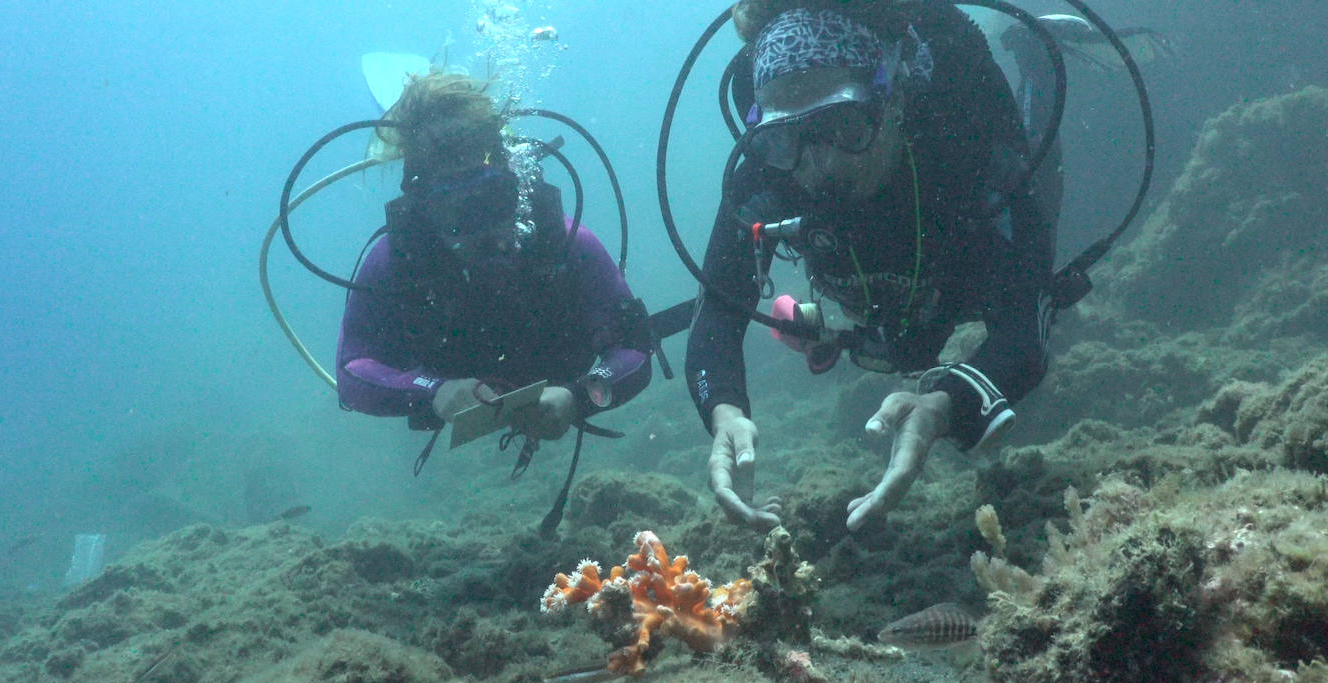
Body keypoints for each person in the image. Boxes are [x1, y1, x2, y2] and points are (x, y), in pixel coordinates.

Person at [686, 0, 1061, 531]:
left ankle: (1036, 67)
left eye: (844, 125)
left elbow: (1028, 322)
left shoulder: (966, 146)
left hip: (966, 263)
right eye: (786, 136)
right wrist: (723, 412)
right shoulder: (767, 177)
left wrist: (946, 403)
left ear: (894, 97)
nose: (818, 166)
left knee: (1045, 177)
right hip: (897, 298)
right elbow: (716, 318)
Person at [337, 71, 651, 462]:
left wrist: (579, 394)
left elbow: (634, 348)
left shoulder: (567, 245)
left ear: (516, 184)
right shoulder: (396, 264)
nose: (482, 229)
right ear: (425, 210)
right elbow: (352, 371)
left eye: (494, 198)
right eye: (457, 212)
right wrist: (432, 391)